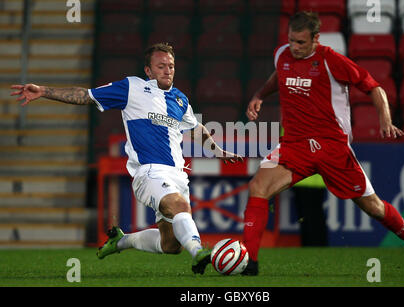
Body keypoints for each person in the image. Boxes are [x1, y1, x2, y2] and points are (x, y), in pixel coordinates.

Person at [11, 42, 243, 275]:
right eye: (160, 66)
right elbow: (86, 95)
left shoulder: (180, 99)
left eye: (171, 66)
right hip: (149, 172)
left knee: (170, 245)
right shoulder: (132, 87)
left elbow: (196, 127)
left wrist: (217, 150)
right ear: (148, 71)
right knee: (180, 207)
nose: (167, 70)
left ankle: (121, 241)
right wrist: (44, 91)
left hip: (178, 176)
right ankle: (199, 253)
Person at [241, 12, 404, 275]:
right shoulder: (282, 55)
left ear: (316, 38)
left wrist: (384, 119)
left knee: (374, 207)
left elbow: (374, 87)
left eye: (301, 43)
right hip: (295, 145)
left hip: (332, 148)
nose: (295, 47)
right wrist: (259, 94)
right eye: (292, 40)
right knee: (258, 187)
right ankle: (251, 265)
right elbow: (279, 76)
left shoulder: (330, 60)